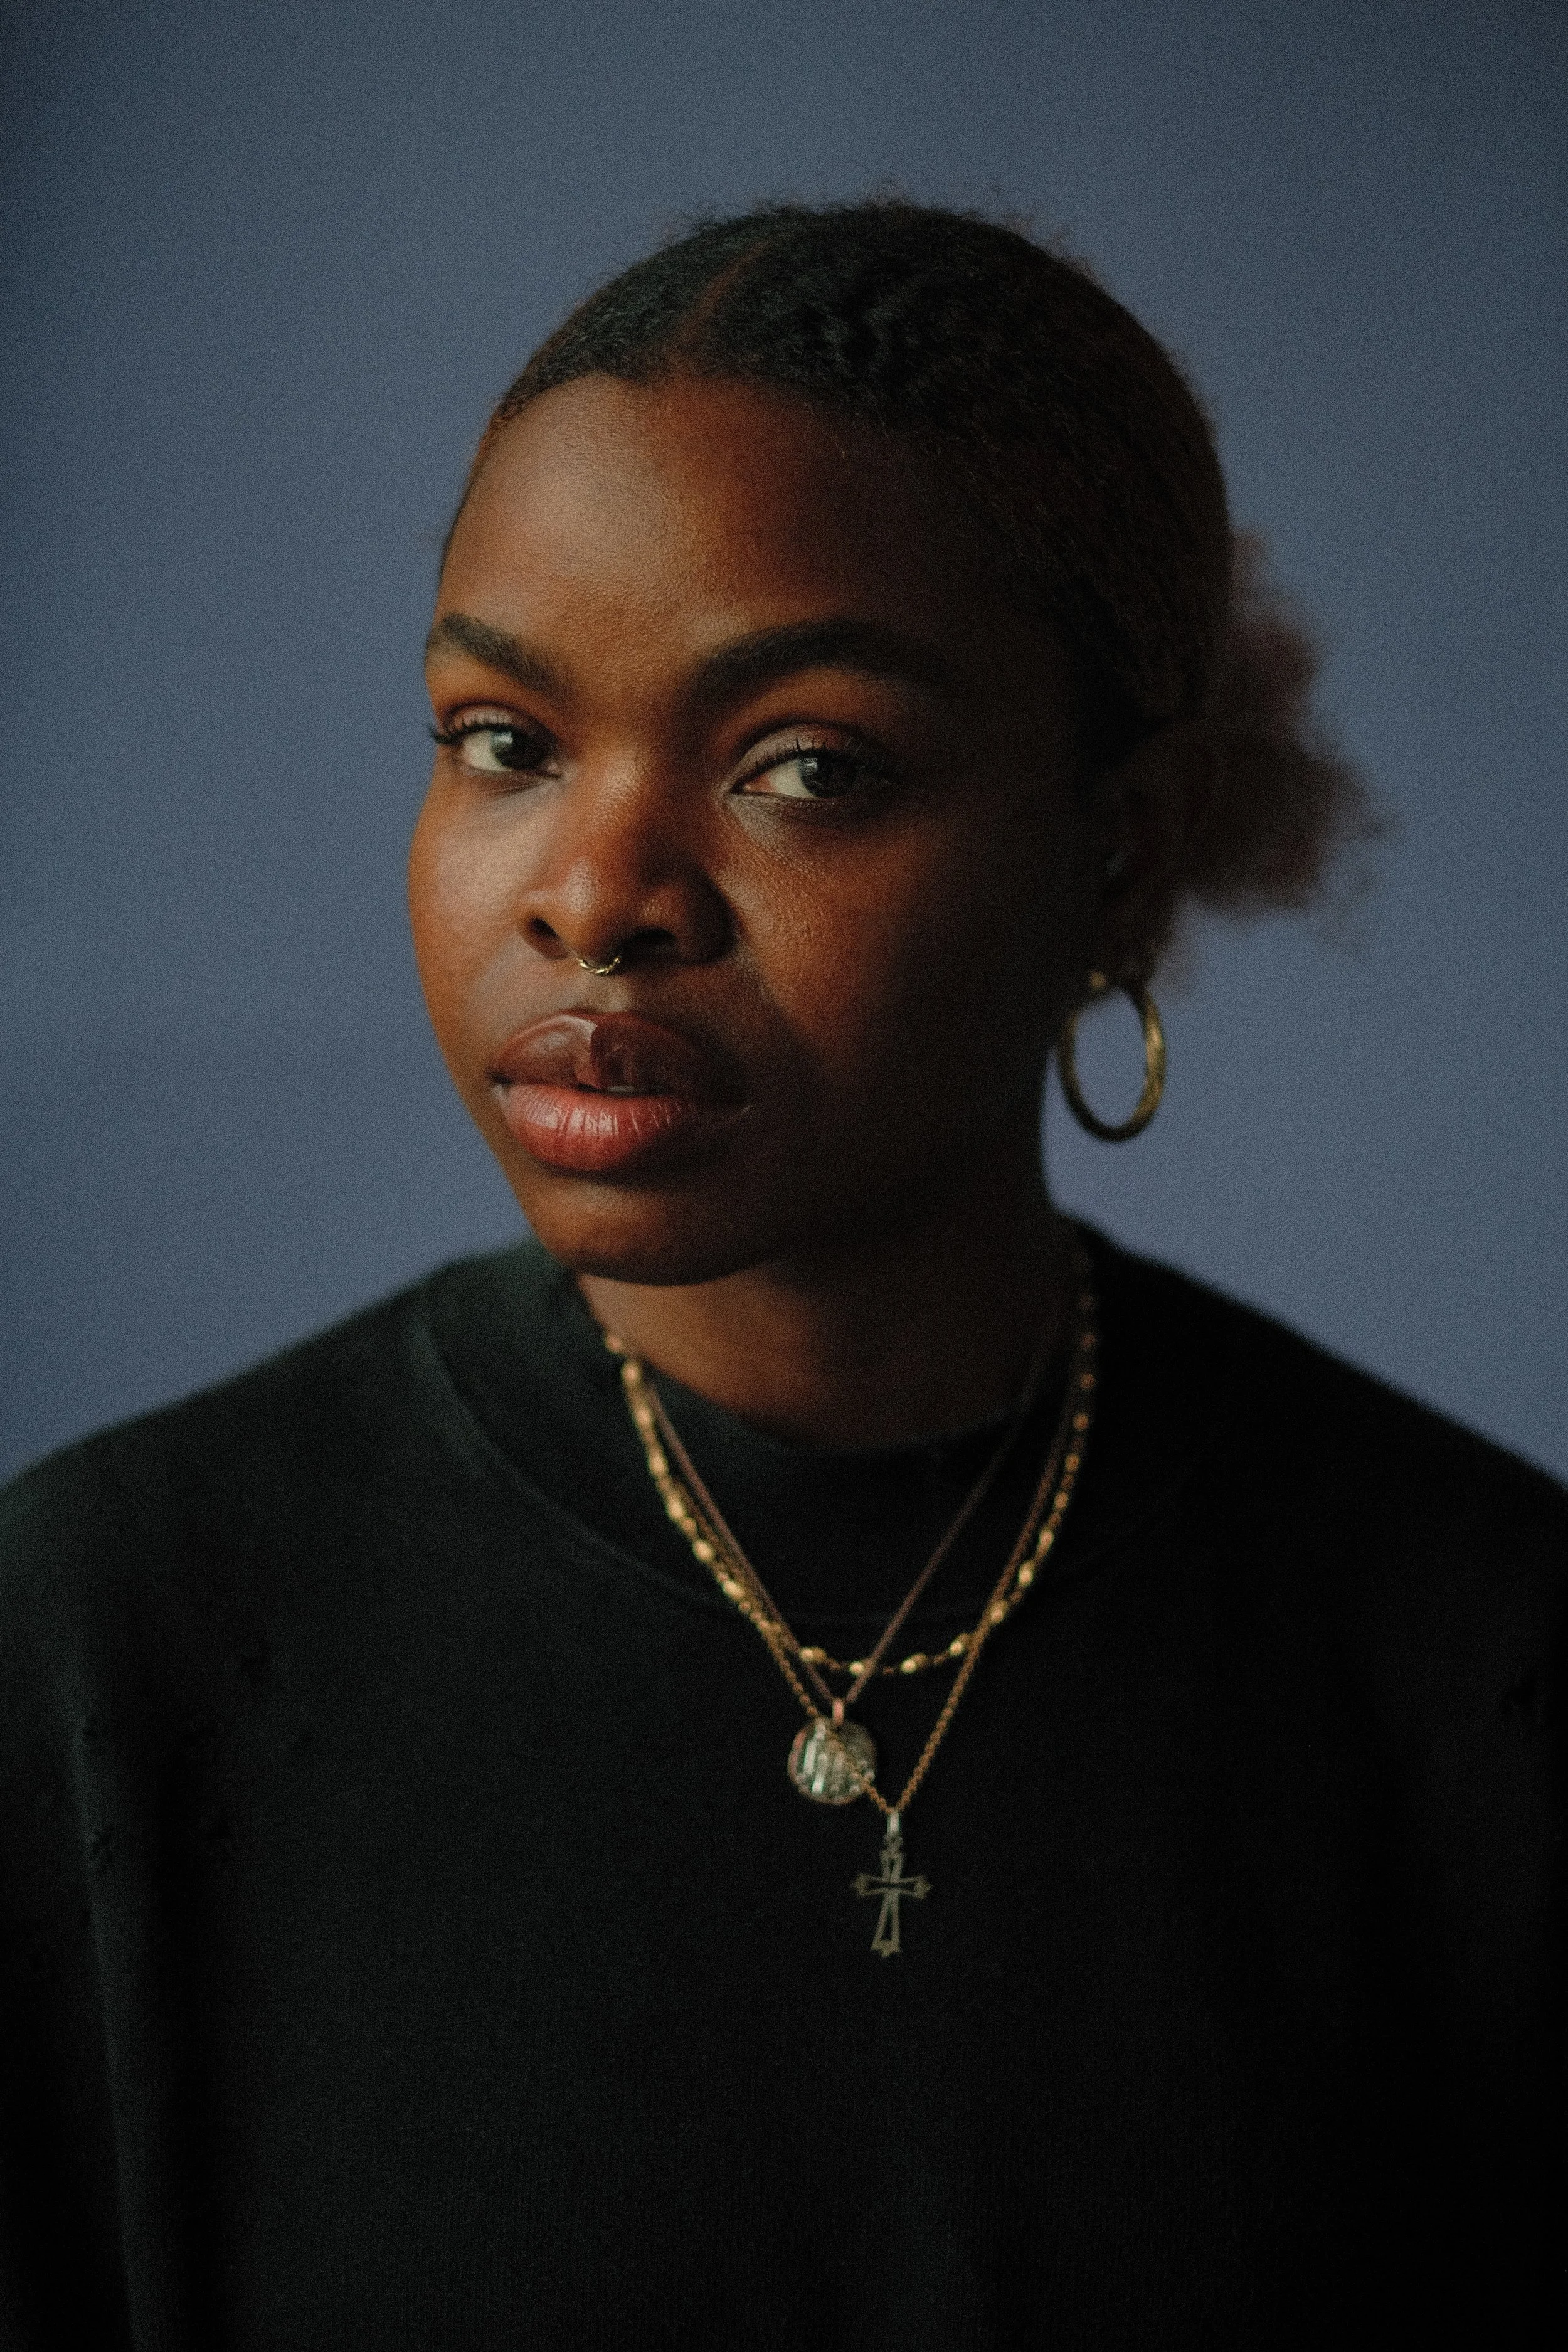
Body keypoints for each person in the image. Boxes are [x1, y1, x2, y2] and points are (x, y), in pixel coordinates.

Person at [1, 201, 1560, 2351]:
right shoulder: (103, 1650)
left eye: (805, 765)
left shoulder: (1478, 1665)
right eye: (503, 739)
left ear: (1117, 847)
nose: (594, 896)